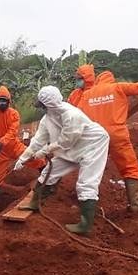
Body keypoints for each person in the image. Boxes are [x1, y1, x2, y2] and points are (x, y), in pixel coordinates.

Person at [76, 68, 138, 211]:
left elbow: (77, 116)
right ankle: (135, 203)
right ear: (111, 79)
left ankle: (86, 204)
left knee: (91, 168)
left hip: (96, 136)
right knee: (130, 168)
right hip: (117, 134)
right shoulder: (119, 87)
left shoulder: (86, 95)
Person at [13, 86, 110, 235]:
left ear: (49, 104)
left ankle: (85, 226)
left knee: (86, 183)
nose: (42, 108)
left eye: (43, 105)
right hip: (72, 147)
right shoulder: (47, 119)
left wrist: (44, 151)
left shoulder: (72, 115)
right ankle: (34, 203)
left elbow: (66, 142)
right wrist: (22, 158)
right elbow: (38, 140)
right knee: (48, 173)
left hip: (93, 145)